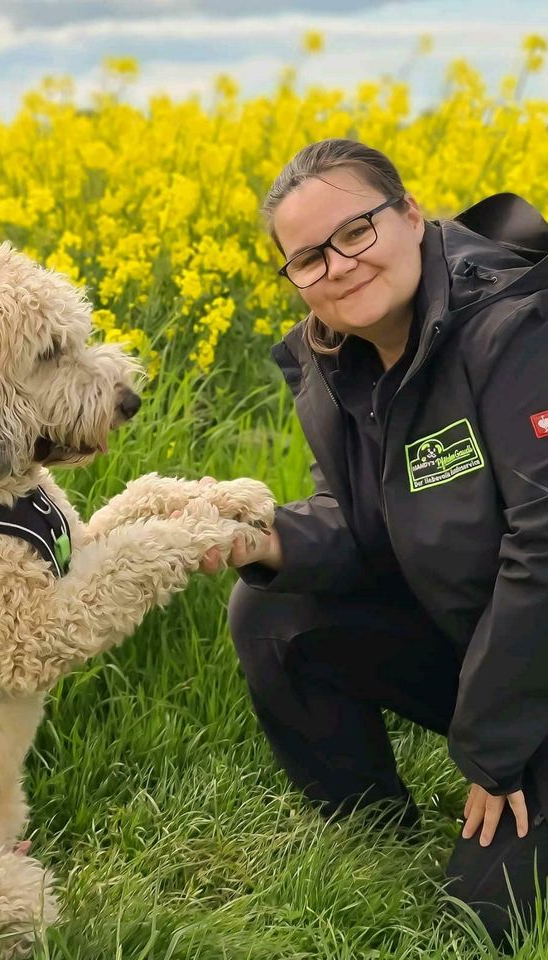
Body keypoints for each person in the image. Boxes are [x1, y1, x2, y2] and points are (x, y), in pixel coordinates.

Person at [198, 138, 548, 948]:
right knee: (270, 608)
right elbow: (358, 529)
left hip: (536, 652)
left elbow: (543, 546)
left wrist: (492, 748)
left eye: (355, 232)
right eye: (309, 258)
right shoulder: (334, 363)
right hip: (485, 645)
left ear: (411, 214)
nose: (339, 267)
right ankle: (373, 834)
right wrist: (260, 536)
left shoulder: (513, 325)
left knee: (483, 924)